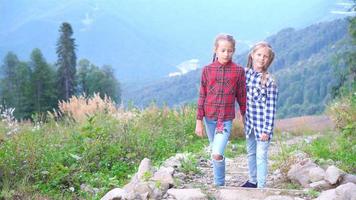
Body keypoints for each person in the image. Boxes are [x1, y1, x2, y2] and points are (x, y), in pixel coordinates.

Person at [195, 33, 246, 186]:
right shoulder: (207, 70)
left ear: (234, 51)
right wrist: (198, 121)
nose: (226, 54)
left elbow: (242, 96)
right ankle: (220, 184)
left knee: (216, 153)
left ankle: (219, 185)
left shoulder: (238, 71)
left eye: (229, 50)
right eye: (223, 50)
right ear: (215, 50)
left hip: (225, 119)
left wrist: (244, 116)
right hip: (208, 118)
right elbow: (202, 95)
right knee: (216, 152)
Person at [241, 41, 278, 188]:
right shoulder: (245, 74)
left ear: (269, 60)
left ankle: (261, 186)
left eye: (265, 56)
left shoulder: (269, 80)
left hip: (262, 127)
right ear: (252, 55)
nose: (261, 58)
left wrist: (267, 130)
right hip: (249, 124)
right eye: (259, 54)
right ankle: (252, 180)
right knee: (251, 153)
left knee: (261, 156)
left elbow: (271, 108)